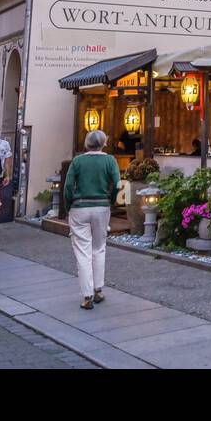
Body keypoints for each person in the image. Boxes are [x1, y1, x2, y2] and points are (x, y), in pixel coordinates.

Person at [64, 130, 120, 310]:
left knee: (83, 251)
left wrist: (68, 206)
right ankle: (98, 289)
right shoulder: (110, 160)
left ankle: (87, 295)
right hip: (102, 206)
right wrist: (110, 200)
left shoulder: (78, 161)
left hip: (80, 206)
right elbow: (117, 184)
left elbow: (67, 186)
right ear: (103, 143)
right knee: (99, 248)